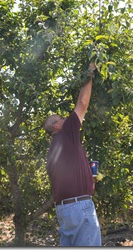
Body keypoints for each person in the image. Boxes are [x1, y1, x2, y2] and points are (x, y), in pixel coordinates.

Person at [43, 62, 101, 246]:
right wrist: (89, 73)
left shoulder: (54, 151)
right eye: (61, 118)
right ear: (56, 125)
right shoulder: (66, 132)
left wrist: (89, 177)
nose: (65, 118)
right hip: (79, 208)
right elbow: (82, 103)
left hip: (64, 210)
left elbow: (67, 177)